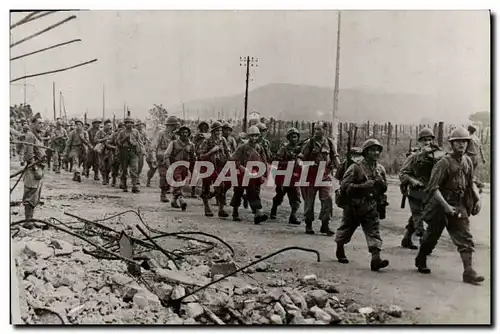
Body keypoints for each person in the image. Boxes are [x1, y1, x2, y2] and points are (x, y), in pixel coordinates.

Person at [415, 127, 484, 285]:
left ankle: (468, 271)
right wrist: (446, 207)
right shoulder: (443, 163)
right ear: (452, 144)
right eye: (458, 142)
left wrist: (477, 198)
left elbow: (471, 182)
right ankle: (421, 258)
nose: (462, 145)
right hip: (440, 206)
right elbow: (433, 188)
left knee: (465, 238)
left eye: (465, 142)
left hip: (458, 205)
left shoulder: (466, 161)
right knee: (431, 237)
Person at [335, 139, 390, 271]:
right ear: (366, 152)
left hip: (371, 206)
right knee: (346, 229)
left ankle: (375, 259)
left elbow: (384, 188)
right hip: (354, 206)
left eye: (377, 150)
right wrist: (362, 186)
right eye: (372, 150)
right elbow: (344, 186)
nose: (375, 153)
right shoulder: (356, 167)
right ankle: (340, 249)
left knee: (374, 232)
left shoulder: (380, 169)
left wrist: (380, 182)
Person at [399, 127, 446, 249]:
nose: (427, 143)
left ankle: (406, 239)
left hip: (428, 192)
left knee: (420, 216)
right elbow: (403, 173)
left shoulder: (437, 156)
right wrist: (413, 181)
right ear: (419, 142)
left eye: (430, 140)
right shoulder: (414, 157)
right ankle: (422, 240)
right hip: (415, 192)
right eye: (424, 140)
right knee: (418, 216)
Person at [297, 121, 339, 236]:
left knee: (328, 200)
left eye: (319, 129)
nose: (316, 131)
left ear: (325, 130)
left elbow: (335, 158)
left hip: (325, 176)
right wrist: (303, 164)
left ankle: (325, 225)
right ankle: (308, 224)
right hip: (310, 176)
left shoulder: (329, 143)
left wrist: (340, 170)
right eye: (315, 129)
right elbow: (300, 158)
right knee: (309, 202)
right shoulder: (309, 143)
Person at [229, 125, 268, 224]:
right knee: (238, 192)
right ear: (248, 136)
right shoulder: (242, 147)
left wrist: (263, 175)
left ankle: (257, 213)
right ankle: (235, 212)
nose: (254, 138)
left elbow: (264, 161)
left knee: (253, 193)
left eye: (256, 136)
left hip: (253, 174)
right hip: (242, 174)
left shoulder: (260, 148)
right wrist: (241, 167)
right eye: (252, 136)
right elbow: (233, 159)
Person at [198, 121, 231, 217]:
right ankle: (207, 207)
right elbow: (201, 156)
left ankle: (221, 209)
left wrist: (232, 159)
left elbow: (228, 153)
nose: (219, 132)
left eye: (220, 130)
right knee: (206, 186)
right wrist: (212, 151)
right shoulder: (207, 141)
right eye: (216, 130)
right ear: (212, 132)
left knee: (223, 186)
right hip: (208, 165)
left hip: (220, 165)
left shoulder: (223, 140)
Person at [270, 127, 302, 225]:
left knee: (295, 197)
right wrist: (288, 162)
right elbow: (277, 161)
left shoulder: (299, 149)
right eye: (292, 137)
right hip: (284, 175)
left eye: (296, 137)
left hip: (294, 176)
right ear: (289, 138)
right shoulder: (284, 148)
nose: (294, 139)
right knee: (280, 194)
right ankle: (273, 210)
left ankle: (293, 216)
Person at [21, 116, 47, 226]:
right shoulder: (30, 136)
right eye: (39, 123)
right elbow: (28, 154)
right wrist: (35, 168)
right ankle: (28, 221)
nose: (41, 125)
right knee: (30, 194)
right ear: (33, 124)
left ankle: (30, 220)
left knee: (35, 195)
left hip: (38, 168)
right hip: (33, 169)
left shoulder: (37, 136)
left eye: (42, 123)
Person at [164, 125, 196, 211]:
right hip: (175, 166)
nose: (185, 134)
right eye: (183, 132)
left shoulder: (191, 145)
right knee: (178, 182)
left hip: (185, 167)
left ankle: (174, 201)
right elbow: (166, 155)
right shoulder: (173, 143)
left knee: (180, 183)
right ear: (180, 134)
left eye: (186, 132)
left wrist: (192, 169)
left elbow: (193, 158)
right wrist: (169, 167)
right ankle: (182, 200)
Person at [150, 116, 180, 202]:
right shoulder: (161, 133)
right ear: (169, 126)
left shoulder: (176, 136)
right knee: (163, 176)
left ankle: (175, 196)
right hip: (162, 158)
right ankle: (163, 194)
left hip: (173, 159)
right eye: (173, 126)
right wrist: (153, 158)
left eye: (176, 126)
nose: (175, 128)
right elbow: (153, 146)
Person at [116, 117, 143, 193]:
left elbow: (139, 142)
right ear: (125, 124)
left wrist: (142, 151)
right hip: (124, 151)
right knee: (124, 169)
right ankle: (124, 184)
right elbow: (118, 143)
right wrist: (125, 138)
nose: (129, 124)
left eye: (131, 123)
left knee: (134, 168)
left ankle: (134, 186)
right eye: (127, 123)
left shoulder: (136, 132)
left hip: (133, 151)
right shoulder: (121, 132)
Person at [465, 125, 486, 190]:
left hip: (469, 157)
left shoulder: (469, 138)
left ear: (469, 130)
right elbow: (481, 149)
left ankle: (478, 184)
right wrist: (483, 158)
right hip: (476, 157)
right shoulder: (477, 139)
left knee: (467, 173)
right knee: (472, 172)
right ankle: (473, 186)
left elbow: (465, 148)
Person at [95, 120, 115, 185]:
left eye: (110, 125)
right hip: (102, 151)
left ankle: (107, 176)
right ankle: (104, 179)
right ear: (105, 125)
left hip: (109, 151)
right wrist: (103, 139)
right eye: (108, 125)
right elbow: (95, 140)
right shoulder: (100, 132)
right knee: (102, 166)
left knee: (109, 166)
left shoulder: (112, 133)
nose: (109, 127)